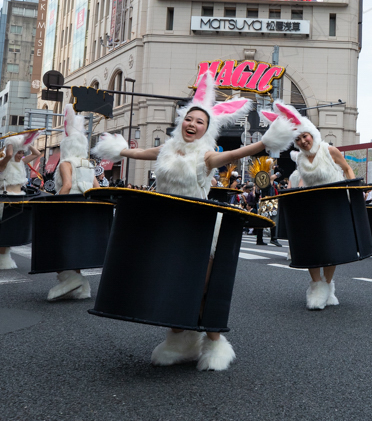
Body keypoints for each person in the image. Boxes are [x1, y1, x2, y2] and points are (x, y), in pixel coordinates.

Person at [92, 72, 297, 370]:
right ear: (181, 122)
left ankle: (214, 342)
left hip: (198, 229)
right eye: (189, 119)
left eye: (200, 122)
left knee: (201, 285)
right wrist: (116, 148)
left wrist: (266, 141)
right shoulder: (165, 150)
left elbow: (242, 151)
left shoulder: (207, 155)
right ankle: (180, 340)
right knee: (169, 281)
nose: (193, 125)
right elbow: (132, 152)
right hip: (165, 226)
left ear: (206, 129)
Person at [266, 101, 354, 308]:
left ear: (312, 134)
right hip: (310, 205)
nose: (303, 141)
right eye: (298, 139)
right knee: (311, 246)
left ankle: (328, 285)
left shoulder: (329, 150)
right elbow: (304, 181)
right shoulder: (301, 160)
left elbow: (348, 170)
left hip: (333, 203)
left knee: (332, 247)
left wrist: (350, 193)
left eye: (305, 136)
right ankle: (316, 285)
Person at [47, 105, 100, 301]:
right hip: (86, 210)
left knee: (59, 244)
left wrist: (55, 205)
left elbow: (67, 185)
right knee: (76, 245)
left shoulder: (65, 163)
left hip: (69, 208)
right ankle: (82, 286)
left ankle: (72, 280)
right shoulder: (88, 165)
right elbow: (97, 189)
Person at [0, 131, 40, 270]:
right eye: (19, 153)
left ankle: (1, 252)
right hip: (6, 199)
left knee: (13, 229)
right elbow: (9, 155)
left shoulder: (22, 162)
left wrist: (26, 141)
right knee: (6, 229)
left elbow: (37, 154)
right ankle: (1, 258)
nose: (21, 155)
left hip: (19, 199)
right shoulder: (2, 162)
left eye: (22, 153)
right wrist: (11, 141)